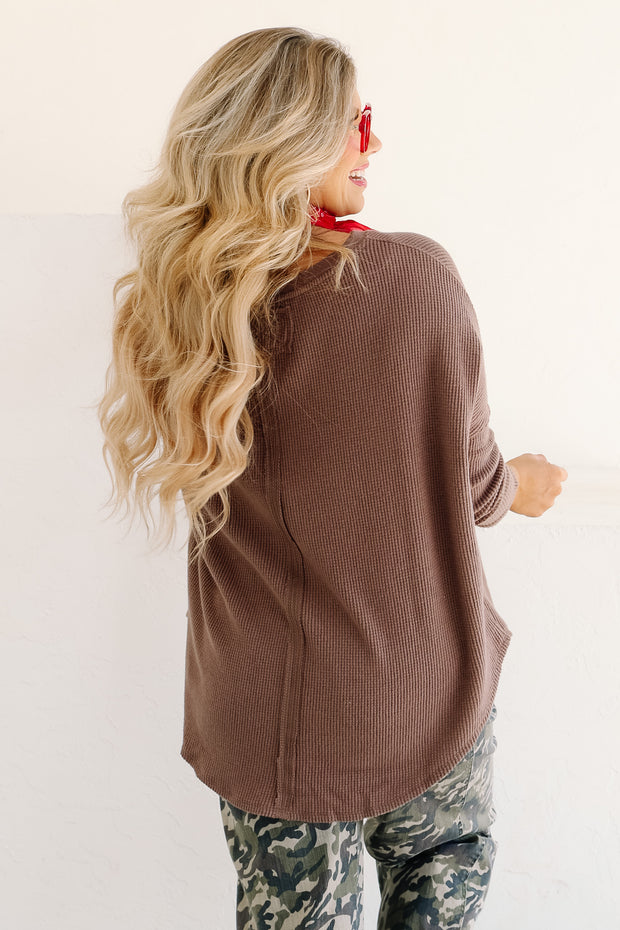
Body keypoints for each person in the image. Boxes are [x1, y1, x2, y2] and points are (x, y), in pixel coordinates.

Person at [98, 26, 568, 930]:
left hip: (262, 723)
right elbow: (476, 488)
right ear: (291, 140)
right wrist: (524, 482)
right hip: (416, 699)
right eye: (356, 122)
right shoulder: (414, 280)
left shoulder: (174, 305)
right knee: (439, 879)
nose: (373, 142)